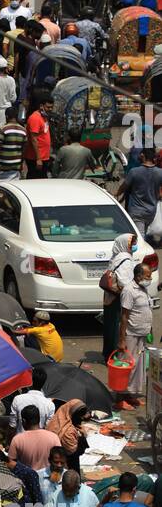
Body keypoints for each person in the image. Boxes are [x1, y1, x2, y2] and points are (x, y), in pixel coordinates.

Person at [118, 261, 154, 404]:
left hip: (141, 334)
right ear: (139, 276)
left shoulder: (142, 289)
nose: (149, 279)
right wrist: (122, 339)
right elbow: (124, 316)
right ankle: (120, 398)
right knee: (126, 366)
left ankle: (130, 395)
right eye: (147, 276)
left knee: (138, 367)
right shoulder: (129, 290)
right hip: (131, 334)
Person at [101, 231, 138, 361]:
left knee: (110, 325)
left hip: (110, 297)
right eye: (132, 243)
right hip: (119, 298)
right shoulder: (125, 259)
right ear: (124, 244)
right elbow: (124, 281)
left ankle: (108, 354)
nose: (134, 246)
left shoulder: (116, 256)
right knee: (118, 326)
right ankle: (116, 355)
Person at [117, 147, 162, 237]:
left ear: (142, 155)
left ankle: (144, 250)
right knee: (142, 233)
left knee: (140, 237)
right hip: (151, 211)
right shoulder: (160, 172)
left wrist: (116, 194)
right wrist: (158, 195)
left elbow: (124, 187)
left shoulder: (134, 172)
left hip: (137, 211)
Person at [8, 405, 62, 471]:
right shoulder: (54, 437)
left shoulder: (17, 440)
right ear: (39, 419)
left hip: (26, 480)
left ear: (24, 421)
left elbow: (11, 462)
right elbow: (60, 459)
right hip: (49, 479)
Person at [49, 398, 91, 471]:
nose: (82, 419)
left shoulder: (61, 415)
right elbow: (72, 451)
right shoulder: (68, 431)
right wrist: (81, 439)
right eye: (80, 416)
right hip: (66, 462)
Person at [0, 106, 26, 181]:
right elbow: (24, 150)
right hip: (15, 169)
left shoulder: (4, 129)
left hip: (3, 169)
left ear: (6, 116)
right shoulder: (23, 130)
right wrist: (21, 164)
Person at [25, 95, 53, 178]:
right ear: (41, 106)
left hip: (44, 157)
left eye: (51, 107)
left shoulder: (44, 117)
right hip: (35, 158)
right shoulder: (35, 118)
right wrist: (38, 159)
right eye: (48, 107)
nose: (50, 109)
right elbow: (34, 139)